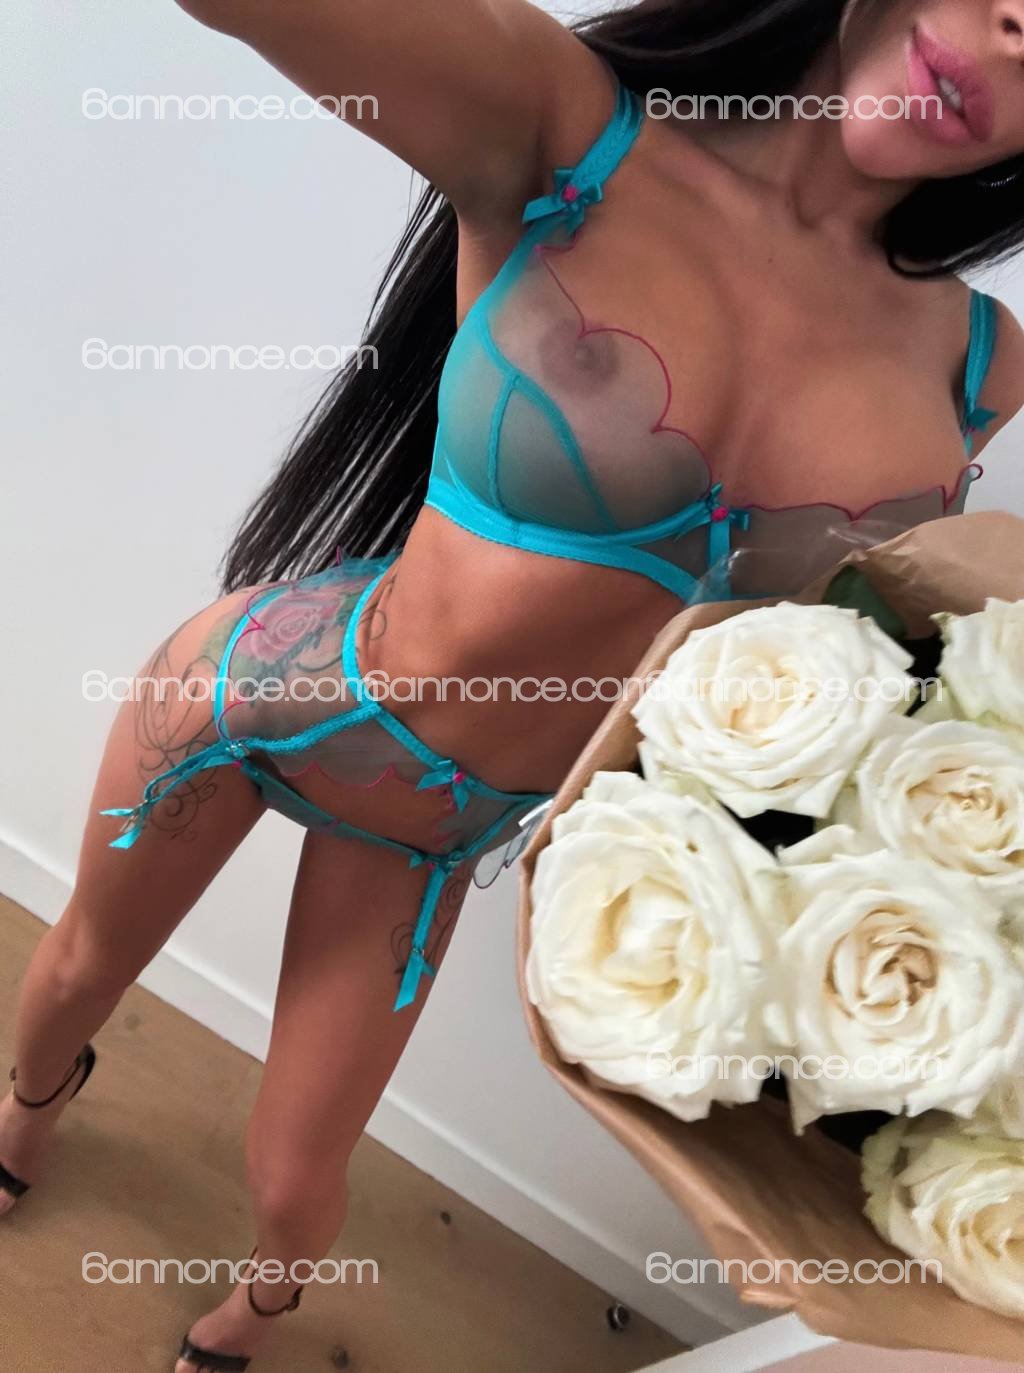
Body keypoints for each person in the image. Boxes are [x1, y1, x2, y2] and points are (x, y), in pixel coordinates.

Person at [4, 1, 1024, 1367]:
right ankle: (27, 1111)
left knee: (298, 1182)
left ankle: (254, 1312)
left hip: (439, 827)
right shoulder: (563, 127)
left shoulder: (979, 366)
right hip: (260, 693)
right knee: (76, 968)